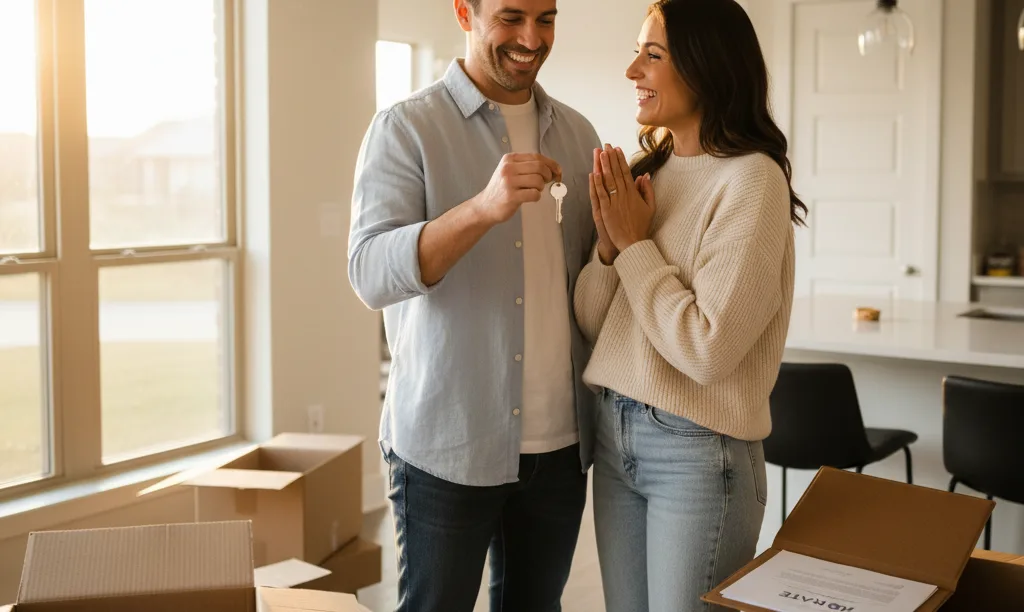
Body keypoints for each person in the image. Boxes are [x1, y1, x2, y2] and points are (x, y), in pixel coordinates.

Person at [347, 0, 602, 610]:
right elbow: (369, 274)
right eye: (510, 17)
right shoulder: (405, 127)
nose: (531, 38)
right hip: (445, 446)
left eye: (546, 19)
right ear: (464, 10)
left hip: (560, 448)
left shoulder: (579, 133)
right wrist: (482, 208)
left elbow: (590, 287)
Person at [572, 0, 806, 610]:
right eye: (636, 53)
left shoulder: (752, 181)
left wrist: (634, 245)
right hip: (614, 432)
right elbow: (597, 325)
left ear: (709, 66)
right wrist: (608, 247)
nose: (632, 71)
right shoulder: (652, 169)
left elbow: (708, 350)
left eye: (653, 55)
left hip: (698, 452)